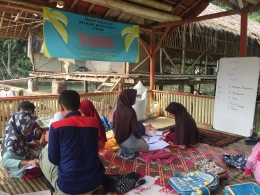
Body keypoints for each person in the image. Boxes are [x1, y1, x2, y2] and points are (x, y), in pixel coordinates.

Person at [39, 90, 105, 195]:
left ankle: (55, 188)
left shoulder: (56, 127)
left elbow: (54, 160)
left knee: (44, 153)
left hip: (69, 188)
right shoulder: (93, 122)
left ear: (61, 107)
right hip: (94, 182)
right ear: (79, 105)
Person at [1, 112, 42, 179]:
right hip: (20, 170)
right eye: (28, 127)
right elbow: (4, 161)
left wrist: (28, 145)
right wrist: (28, 162)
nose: (30, 129)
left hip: (21, 161)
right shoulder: (12, 141)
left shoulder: (15, 133)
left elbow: (16, 148)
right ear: (20, 125)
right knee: (46, 167)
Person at [113, 89, 149, 159]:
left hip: (119, 140)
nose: (135, 100)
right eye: (134, 98)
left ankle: (126, 148)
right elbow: (135, 131)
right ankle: (127, 150)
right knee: (146, 147)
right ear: (128, 99)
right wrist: (141, 138)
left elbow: (114, 127)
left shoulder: (117, 110)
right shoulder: (130, 111)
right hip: (126, 140)